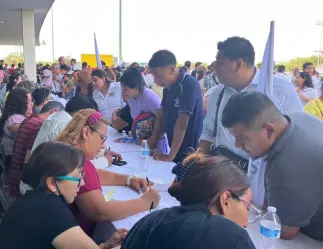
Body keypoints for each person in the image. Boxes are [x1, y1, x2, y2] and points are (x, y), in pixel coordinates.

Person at [196, 37, 302, 205]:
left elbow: (296, 136)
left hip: (266, 178)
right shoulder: (217, 94)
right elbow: (208, 132)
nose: (214, 68)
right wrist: (197, 162)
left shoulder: (279, 89)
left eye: (220, 62)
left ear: (238, 64)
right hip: (225, 174)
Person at [222, 91, 323, 241]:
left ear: (269, 130)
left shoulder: (289, 167)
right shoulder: (294, 117)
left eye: (242, 138)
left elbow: (285, 230)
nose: (238, 146)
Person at [0, 142, 127, 249]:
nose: (82, 183)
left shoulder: (34, 200)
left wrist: (106, 245)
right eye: (77, 177)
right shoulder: (50, 210)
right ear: (52, 182)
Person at [56, 109, 160, 236]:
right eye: (101, 138)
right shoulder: (78, 160)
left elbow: (93, 174)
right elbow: (100, 212)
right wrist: (145, 202)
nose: (103, 145)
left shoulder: (66, 150)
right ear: (86, 132)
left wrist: (128, 180)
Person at [122, 154, 256, 249]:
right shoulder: (232, 238)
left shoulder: (150, 220)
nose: (246, 223)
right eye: (247, 207)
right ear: (226, 200)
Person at [148, 50, 204, 163]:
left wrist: (170, 156)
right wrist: (152, 142)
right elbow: (162, 115)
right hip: (173, 146)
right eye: (154, 76)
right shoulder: (168, 86)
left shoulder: (189, 84)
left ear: (172, 69)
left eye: (158, 76)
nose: (156, 81)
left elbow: (182, 123)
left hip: (189, 150)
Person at [8, 101, 64, 198]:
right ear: (53, 112)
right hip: (21, 185)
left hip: (14, 176)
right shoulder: (39, 127)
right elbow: (30, 161)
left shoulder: (31, 120)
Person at [120, 67, 169, 154]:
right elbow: (136, 119)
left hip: (156, 145)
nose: (123, 92)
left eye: (125, 89)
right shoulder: (131, 98)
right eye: (122, 88)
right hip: (142, 143)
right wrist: (131, 137)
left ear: (136, 87)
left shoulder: (149, 97)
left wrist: (153, 140)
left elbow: (163, 120)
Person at [32, 96, 98, 152]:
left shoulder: (60, 116)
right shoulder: (65, 124)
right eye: (89, 117)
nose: (89, 122)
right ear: (80, 113)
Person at [0, 88, 33, 171]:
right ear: (19, 103)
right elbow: (27, 137)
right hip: (14, 162)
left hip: (13, 158)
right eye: (29, 102)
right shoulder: (15, 119)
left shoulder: (14, 116)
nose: (32, 104)